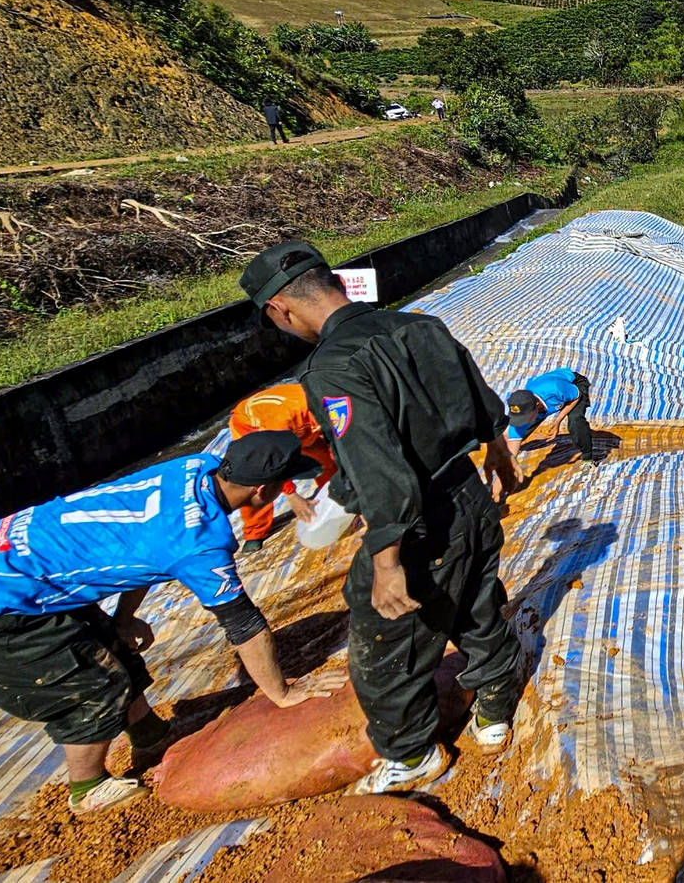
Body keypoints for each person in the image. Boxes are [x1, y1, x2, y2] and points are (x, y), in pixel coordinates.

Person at [0, 431, 340, 816]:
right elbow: (243, 624)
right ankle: (88, 789)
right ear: (262, 491)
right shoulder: (201, 545)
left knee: (110, 643)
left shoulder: (195, 467)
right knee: (91, 684)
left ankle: (149, 732)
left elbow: (151, 554)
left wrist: (124, 617)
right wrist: (282, 693)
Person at [240, 241, 523, 795]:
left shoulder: (333, 367)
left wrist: (387, 556)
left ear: (281, 310)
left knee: (383, 641)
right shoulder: (422, 326)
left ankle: (411, 752)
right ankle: (493, 712)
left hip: (417, 520)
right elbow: (479, 393)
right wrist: (496, 447)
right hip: (468, 491)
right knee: (476, 598)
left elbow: (376, 466)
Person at [227, 383, 341, 553]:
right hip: (253, 428)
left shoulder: (330, 401)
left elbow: (337, 441)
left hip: (301, 428)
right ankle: (255, 532)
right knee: (256, 480)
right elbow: (275, 458)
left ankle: (337, 494)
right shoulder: (283, 419)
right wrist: (292, 495)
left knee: (326, 462)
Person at [501, 368, 603, 478]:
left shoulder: (556, 388)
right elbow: (513, 441)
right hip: (548, 395)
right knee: (522, 428)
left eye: (525, 417)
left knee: (575, 422)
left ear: (537, 406)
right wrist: (507, 468)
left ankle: (588, 459)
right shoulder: (525, 404)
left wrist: (557, 421)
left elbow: (576, 396)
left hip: (573, 386)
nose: (523, 420)